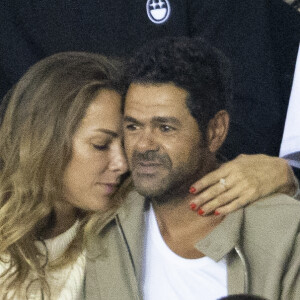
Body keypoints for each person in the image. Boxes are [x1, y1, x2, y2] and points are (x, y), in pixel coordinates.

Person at [0, 0, 299, 213]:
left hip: (209, 199)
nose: (122, 162)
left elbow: (250, 114)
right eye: (102, 144)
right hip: (50, 209)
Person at [85, 37, 300, 300]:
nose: (143, 145)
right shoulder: (101, 223)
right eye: (132, 126)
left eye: (165, 128)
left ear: (215, 131)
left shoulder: (285, 231)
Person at [0, 52, 128, 299]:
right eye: (101, 144)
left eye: (126, 145)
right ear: (44, 141)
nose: (122, 164)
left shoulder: (123, 226)